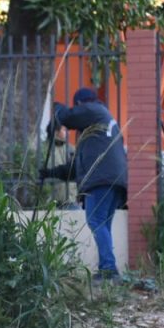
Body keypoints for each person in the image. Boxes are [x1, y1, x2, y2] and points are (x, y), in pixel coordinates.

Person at [39, 87, 128, 280]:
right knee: (102, 223)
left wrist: (58, 109)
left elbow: (68, 116)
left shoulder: (94, 110)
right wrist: (50, 173)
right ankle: (107, 267)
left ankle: (108, 269)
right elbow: (76, 168)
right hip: (113, 178)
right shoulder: (97, 132)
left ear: (80, 104)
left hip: (102, 179)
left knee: (96, 220)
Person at [44, 118, 78, 207]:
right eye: (64, 130)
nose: (68, 133)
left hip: (70, 199)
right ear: (56, 131)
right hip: (51, 201)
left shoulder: (71, 148)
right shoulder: (44, 149)